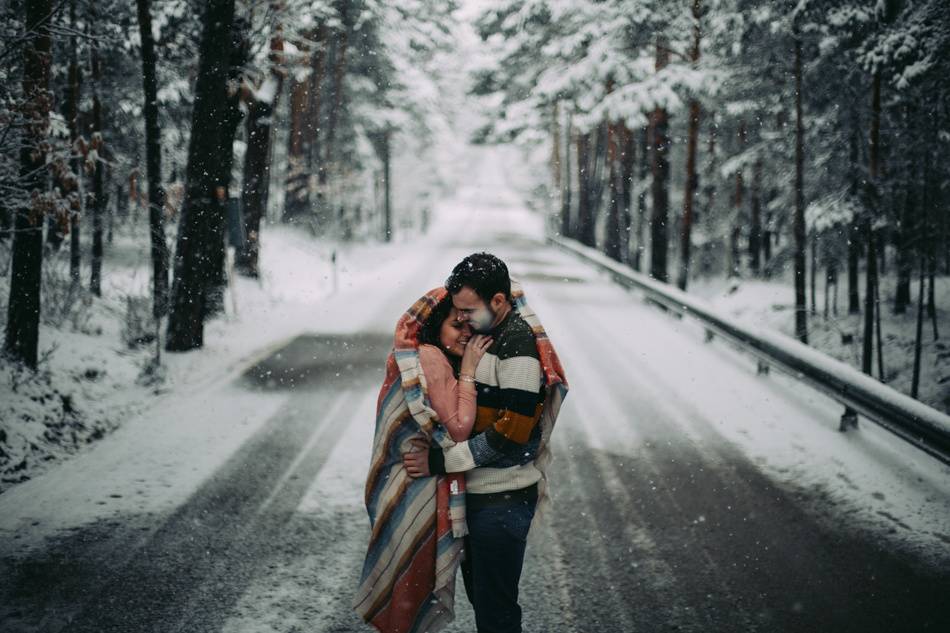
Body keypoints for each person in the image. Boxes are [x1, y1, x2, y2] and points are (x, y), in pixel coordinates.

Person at [403, 253, 568, 633]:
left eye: (468, 309)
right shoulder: (484, 337)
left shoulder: (517, 346)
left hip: (503, 497)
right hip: (478, 497)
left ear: (498, 301)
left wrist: (441, 462)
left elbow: (512, 434)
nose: (461, 318)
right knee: (485, 601)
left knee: (496, 609)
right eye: (456, 311)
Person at [354, 288, 491, 633]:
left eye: (470, 327)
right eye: (455, 325)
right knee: (410, 596)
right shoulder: (431, 358)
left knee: (407, 594)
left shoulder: (423, 356)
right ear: (435, 327)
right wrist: (470, 372)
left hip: (409, 485)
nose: (466, 335)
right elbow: (458, 430)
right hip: (419, 489)